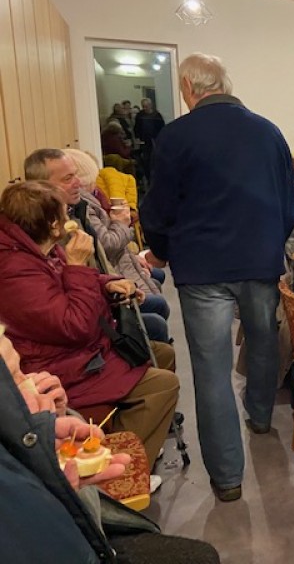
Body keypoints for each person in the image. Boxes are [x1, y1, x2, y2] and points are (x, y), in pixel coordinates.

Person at [141, 53, 294, 502]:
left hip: (202, 268)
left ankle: (228, 478)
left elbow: (159, 207)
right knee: (263, 342)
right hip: (260, 261)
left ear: (189, 88)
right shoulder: (269, 132)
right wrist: (270, 244)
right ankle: (261, 416)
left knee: (211, 371)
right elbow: (288, 205)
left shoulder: (175, 136)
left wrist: (161, 250)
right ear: (224, 84)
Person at [0, 329, 221, 564]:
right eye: (13, 380)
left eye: (22, 372)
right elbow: (79, 327)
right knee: (160, 378)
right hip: (80, 365)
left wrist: (48, 430)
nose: (28, 382)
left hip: (89, 356)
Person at [0, 181, 179, 467]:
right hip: (64, 367)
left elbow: (69, 284)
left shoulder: (38, 248)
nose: (69, 216)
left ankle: (139, 444)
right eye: (64, 213)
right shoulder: (14, 271)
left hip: (80, 354)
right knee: (163, 385)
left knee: (163, 353)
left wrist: (109, 283)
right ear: (53, 224)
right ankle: (116, 469)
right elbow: (75, 326)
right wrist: (77, 266)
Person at [67, 148, 170, 343]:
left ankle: (153, 348)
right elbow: (107, 246)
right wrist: (122, 224)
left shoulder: (92, 200)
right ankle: (151, 350)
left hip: (114, 268)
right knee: (157, 306)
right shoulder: (83, 208)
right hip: (112, 273)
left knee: (155, 283)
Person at [134, 97, 166, 182]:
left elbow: (162, 128)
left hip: (155, 140)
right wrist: (138, 138)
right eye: (143, 106)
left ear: (150, 105)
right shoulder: (140, 115)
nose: (145, 108)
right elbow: (136, 128)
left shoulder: (157, 115)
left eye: (146, 106)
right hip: (144, 142)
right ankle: (149, 179)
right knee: (146, 161)